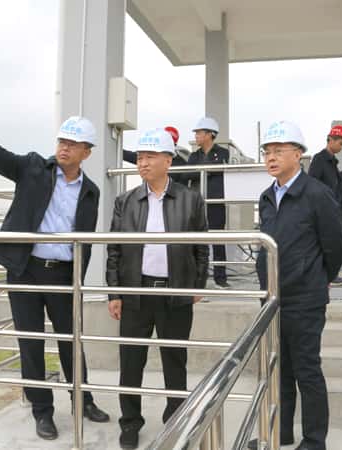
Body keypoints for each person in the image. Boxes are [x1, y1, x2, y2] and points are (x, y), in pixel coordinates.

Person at [0, 116, 110, 440]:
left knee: (71, 341)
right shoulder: (32, 168)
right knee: (31, 343)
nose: (64, 148)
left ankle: (83, 401)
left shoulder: (90, 191)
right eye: (62, 141)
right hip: (25, 270)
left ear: (87, 151)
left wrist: (79, 281)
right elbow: (0, 157)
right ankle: (42, 411)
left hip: (63, 275)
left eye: (72, 144)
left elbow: (85, 239)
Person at [106, 128, 209, 449]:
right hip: (135, 294)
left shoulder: (190, 199)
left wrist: (197, 285)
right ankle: (130, 422)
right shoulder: (125, 201)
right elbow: (114, 250)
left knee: (174, 360)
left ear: (168, 160)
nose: (143, 163)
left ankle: (175, 418)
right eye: (139, 157)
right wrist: (115, 293)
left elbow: (202, 247)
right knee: (131, 362)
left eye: (150, 156)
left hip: (175, 293)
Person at [254, 121, 342, 450]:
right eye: (267, 151)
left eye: (279, 151)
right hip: (273, 298)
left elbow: (335, 246)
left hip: (305, 298)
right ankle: (281, 432)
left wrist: (316, 277)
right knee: (280, 370)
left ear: (298, 154)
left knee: (307, 370)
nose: (271, 157)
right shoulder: (267, 197)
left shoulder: (317, 194)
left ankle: (314, 440)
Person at [181, 117, 231, 288]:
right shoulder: (194, 155)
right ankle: (197, 277)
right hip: (197, 203)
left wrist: (201, 170)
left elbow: (220, 168)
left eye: (199, 132)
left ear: (210, 134)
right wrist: (207, 170)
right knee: (196, 239)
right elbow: (186, 175)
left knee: (217, 239)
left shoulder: (223, 152)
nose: (196, 136)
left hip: (216, 201)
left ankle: (220, 278)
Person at [309, 124, 342, 285]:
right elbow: (312, 184)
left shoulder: (333, 162)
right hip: (322, 208)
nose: (341, 147)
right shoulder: (320, 159)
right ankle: (324, 274)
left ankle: (330, 273)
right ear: (330, 140)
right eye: (340, 143)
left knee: (332, 242)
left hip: (333, 208)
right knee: (323, 243)